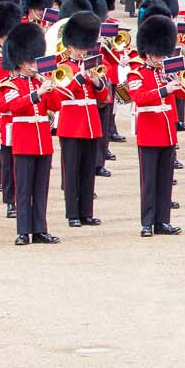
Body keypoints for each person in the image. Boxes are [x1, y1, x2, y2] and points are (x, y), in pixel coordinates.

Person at [0, 21, 61, 244]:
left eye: (35, 60)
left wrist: (50, 86)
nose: (34, 65)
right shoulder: (10, 84)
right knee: (23, 188)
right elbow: (12, 106)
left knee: (40, 187)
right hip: (24, 139)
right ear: (20, 62)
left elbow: (56, 105)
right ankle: (23, 230)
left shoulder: (40, 82)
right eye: (30, 61)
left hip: (42, 138)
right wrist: (37, 94)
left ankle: (40, 228)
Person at [127, 12, 182, 236]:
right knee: (149, 181)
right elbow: (139, 97)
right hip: (149, 132)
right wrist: (163, 90)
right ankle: (146, 222)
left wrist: (177, 81)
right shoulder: (136, 73)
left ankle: (162, 221)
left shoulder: (165, 72)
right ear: (147, 53)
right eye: (157, 55)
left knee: (165, 180)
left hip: (168, 132)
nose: (161, 58)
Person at [54, 13, 110, 228]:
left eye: (84, 47)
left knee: (88, 170)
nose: (82, 51)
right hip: (71, 124)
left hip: (91, 124)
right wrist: (79, 78)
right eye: (78, 47)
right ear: (69, 47)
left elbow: (104, 97)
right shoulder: (62, 67)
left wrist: (97, 82)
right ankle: (72, 214)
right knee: (71, 171)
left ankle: (86, 212)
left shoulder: (93, 64)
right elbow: (60, 95)